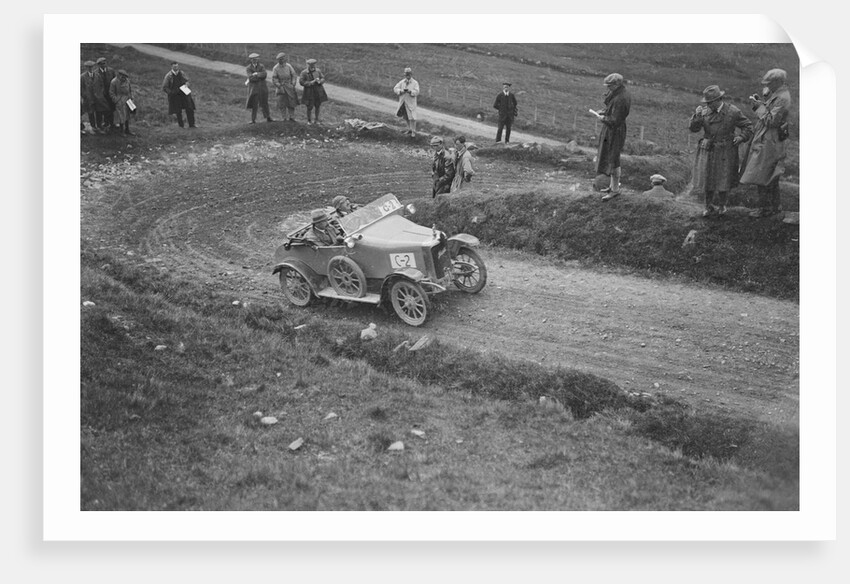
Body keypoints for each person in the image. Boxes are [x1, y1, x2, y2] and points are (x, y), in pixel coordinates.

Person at [688, 85, 753, 217]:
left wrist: (741, 137)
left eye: (710, 102)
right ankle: (708, 206)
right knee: (708, 179)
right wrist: (697, 117)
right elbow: (694, 129)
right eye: (707, 102)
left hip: (726, 150)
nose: (708, 105)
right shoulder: (704, 112)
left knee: (724, 179)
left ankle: (722, 206)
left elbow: (748, 126)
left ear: (719, 100)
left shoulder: (732, 112)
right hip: (709, 150)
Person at [739, 68, 792, 218]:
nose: (768, 86)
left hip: (770, 140)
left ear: (778, 82)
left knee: (762, 174)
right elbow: (771, 113)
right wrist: (762, 103)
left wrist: (758, 107)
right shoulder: (779, 95)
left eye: (770, 83)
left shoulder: (782, 98)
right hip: (769, 139)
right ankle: (773, 207)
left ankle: (766, 209)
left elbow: (771, 121)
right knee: (768, 175)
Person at [592, 73, 631, 201]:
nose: (608, 88)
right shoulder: (617, 94)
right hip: (611, 130)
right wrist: (604, 112)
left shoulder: (621, 98)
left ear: (617, 84)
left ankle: (615, 190)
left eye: (610, 86)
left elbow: (615, 120)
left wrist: (603, 118)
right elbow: (613, 111)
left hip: (615, 131)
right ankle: (612, 186)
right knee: (610, 157)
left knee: (614, 159)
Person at [162, 62, 196, 128]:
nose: (176, 68)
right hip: (175, 95)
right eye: (174, 67)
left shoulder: (182, 73)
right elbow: (164, 87)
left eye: (177, 66)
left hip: (184, 93)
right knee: (178, 111)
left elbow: (187, 81)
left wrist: (186, 85)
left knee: (189, 108)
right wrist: (171, 93)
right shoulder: (168, 76)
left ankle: (192, 124)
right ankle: (181, 126)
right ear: (171, 67)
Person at [245, 53, 272, 123]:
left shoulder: (262, 66)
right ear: (251, 60)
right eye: (253, 59)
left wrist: (256, 74)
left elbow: (265, 75)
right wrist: (259, 77)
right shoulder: (248, 68)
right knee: (254, 103)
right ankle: (253, 119)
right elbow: (250, 78)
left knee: (264, 102)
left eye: (256, 59)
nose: (255, 60)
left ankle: (268, 118)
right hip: (253, 88)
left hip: (262, 87)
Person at [272, 52, 300, 121]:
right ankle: (284, 118)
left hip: (289, 86)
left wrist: (293, 83)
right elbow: (274, 78)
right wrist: (279, 85)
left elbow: (294, 75)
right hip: (281, 87)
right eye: (279, 60)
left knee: (291, 102)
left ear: (285, 59)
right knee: (282, 103)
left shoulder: (289, 66)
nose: (281, 61)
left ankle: (292, 117)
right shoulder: (276, 68)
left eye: (282, 59)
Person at [299, 59, 328, 125]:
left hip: (318, 91)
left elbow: (323, 78)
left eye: (314, 65)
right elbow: (301, 82)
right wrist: (310, 83)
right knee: (309, 106)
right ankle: (309, 120)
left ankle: (316, 120)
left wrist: (320, 81)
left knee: (317, 105)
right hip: (309, 92)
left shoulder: (318, 71)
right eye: (311, 65)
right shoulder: (304, 72)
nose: (313, 66)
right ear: (308, 65)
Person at [393, 67, 420, 137]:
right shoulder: (402, 82)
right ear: (404, 75)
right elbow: (395, 88)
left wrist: (410, 91)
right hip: (404, 102)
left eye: (409, 74)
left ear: (411, 74)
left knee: (413, 117)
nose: (408, 76)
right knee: (406, 117)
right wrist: (401, 91)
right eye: (406, 74)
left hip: (411, 102)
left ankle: (413, 131)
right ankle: (409, 129)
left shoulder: (415, 83)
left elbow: (417, 92)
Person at [92, 56, 116, 133]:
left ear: (106, 63)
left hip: (110, 94)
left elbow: (114, 81)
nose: (103, 65)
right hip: (101, 95)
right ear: (98, 65)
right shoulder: (95, 73)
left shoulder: (111, 71)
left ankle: (110, 124)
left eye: (104, 63)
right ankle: (100, 125)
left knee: (111, 109)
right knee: (100, 110)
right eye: (101, 64)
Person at [109, 69, 136, 136]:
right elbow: (111, 92)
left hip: (127, 100)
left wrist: (131, 97)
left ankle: (127, 130)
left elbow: (130, 90)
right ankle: (121, 131)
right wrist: (116, 100)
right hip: (120, 101)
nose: (124, 78)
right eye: (122, 76)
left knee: (127, 115)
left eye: (125, 77)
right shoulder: (114, 82)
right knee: (121, 116)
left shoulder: (127, 81)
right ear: (119, 75)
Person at [80, 60, 97, 134]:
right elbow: (81, 88)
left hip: (95, 98)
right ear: (86, 68)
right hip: (87, 98)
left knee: (94, 112)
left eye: (91, 67)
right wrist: (85, 95)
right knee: (84, 112)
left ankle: (94, 127)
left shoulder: (96, 75)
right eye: (88, 67)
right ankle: (81, 126)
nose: (90, 68)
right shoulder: (82, 76)